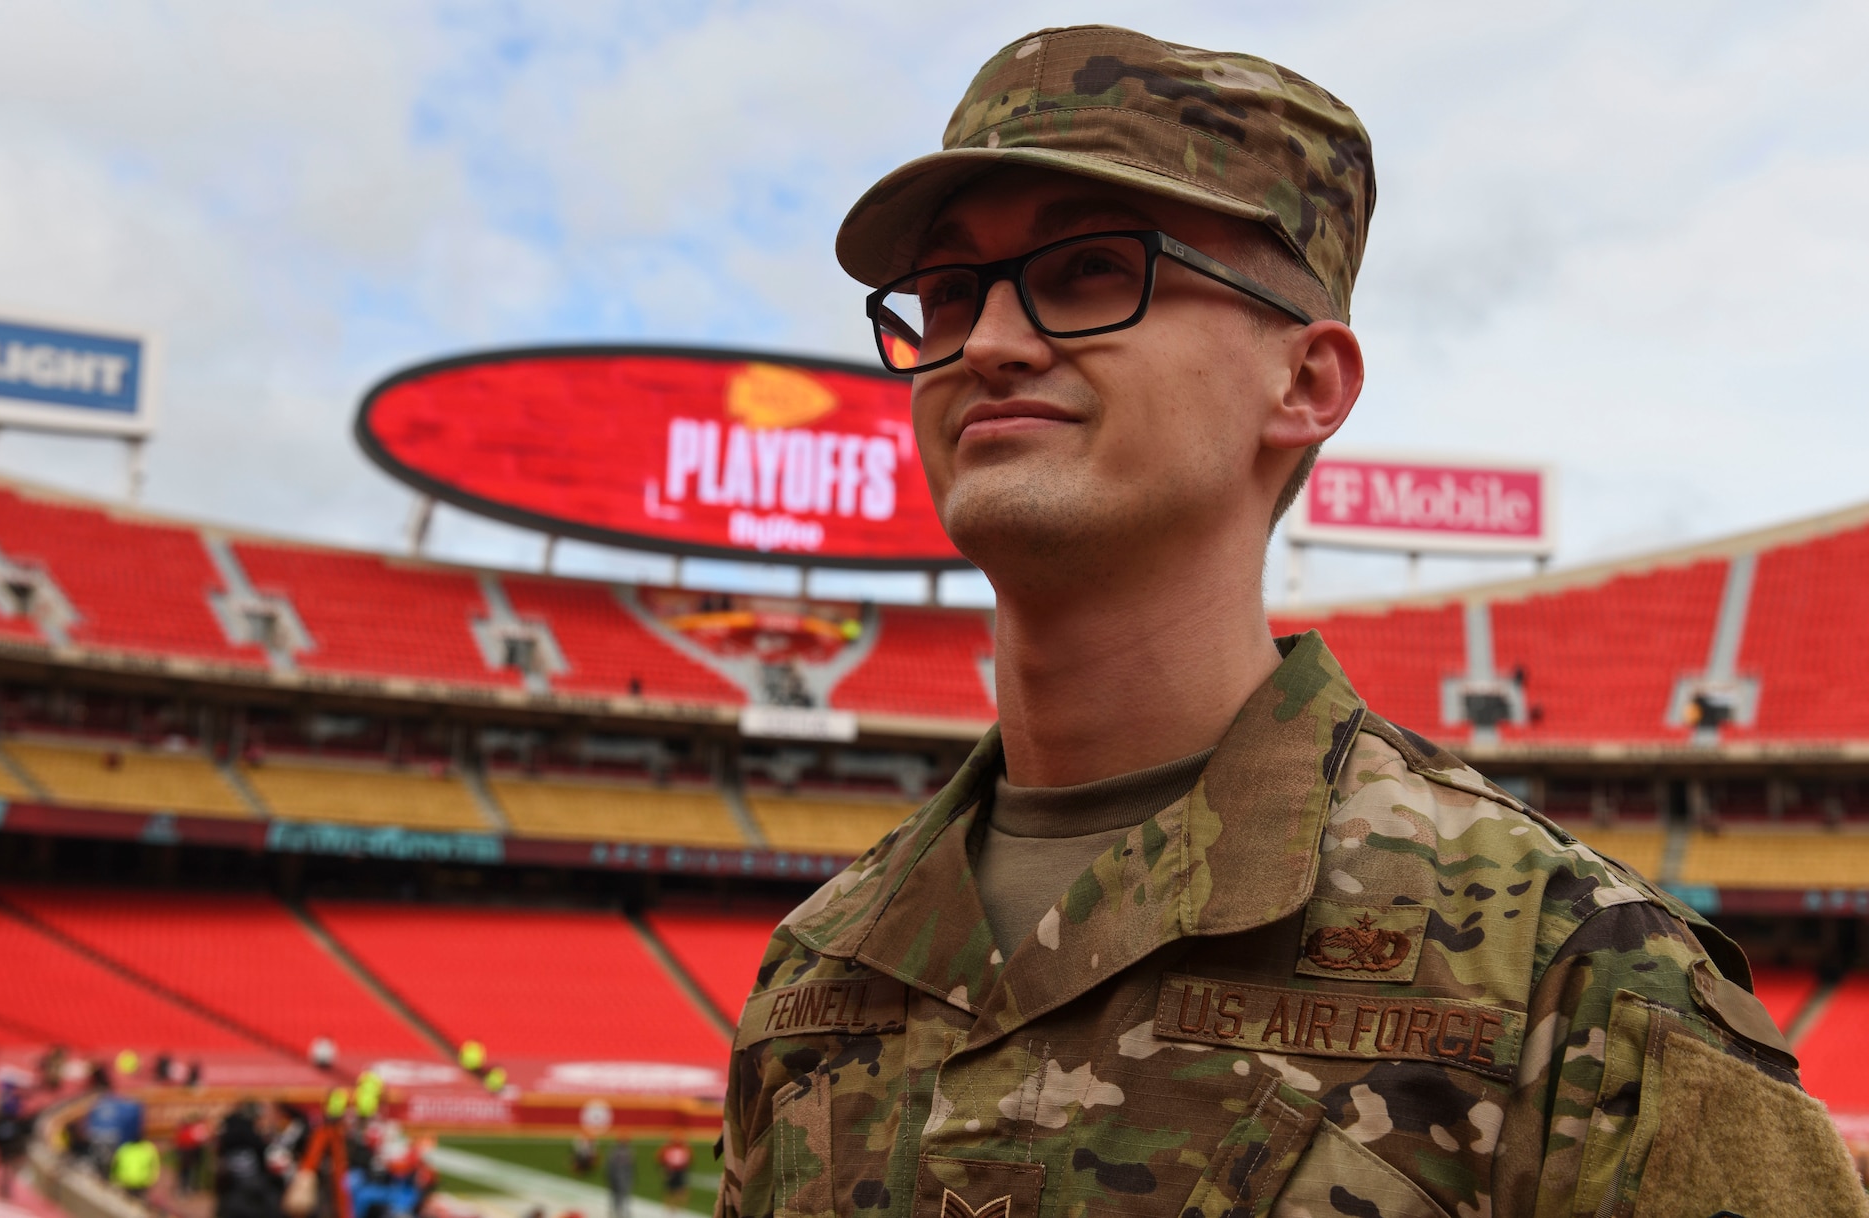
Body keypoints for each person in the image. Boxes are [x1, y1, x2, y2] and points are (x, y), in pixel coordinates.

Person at [716, 24, 1868, 1218]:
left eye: (1090, 271)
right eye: (946, 294)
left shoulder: (1570, 971)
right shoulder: (817, 965)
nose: (989, 344)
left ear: (1306, 383)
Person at [0, 1082, 29, 1199]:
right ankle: (3, 1186)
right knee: (6, 1168)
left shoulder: (6, 1100)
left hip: (6, 1140)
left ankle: (3, 1186)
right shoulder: (10, 1101)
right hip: (8, 1140)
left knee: (5, 1168)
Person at [111, 1133, 161, 1199]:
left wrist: (113, 1178)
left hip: (125, 1179)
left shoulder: (125, 1147)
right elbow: (155, 1167)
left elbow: (115, 1162)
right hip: (141, 1182)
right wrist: (151, 1181)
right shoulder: (149, 1149)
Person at [655, 1137, 690, 1210]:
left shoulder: (683, 1149)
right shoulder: (667, 1149)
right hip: (672, 1171)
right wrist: (663, 1169)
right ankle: (670, 1207)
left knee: (680, 1190)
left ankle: (678, 1207)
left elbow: (688, 1160)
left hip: (679, 1171)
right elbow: (660, 1158)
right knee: (670, 1190)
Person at [603, 1140, 632, 1218]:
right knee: (621, 1195)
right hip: (622, 1178)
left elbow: (608, 1166)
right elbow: (630, 1168)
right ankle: (620, 1212)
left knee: (615, 1196)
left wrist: (608, 1177)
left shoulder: (613, 1152)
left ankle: (616, 1211)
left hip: (616, 1177)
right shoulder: (628, 1153)